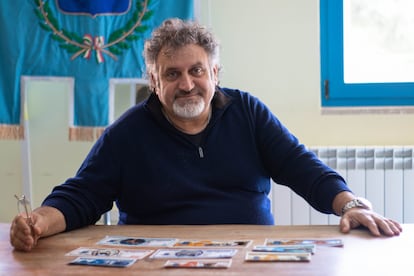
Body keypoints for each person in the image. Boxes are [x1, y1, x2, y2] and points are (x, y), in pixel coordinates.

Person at [10, 18, 402, 252]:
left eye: (197, 71)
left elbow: (303, 168)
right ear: (153, 81)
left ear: (215, 74)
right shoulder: (128, 132)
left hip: (247, 260)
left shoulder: (248, 113)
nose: (187, 84)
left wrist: (351, 205)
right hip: (153, 265)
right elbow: (82, 195)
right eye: (172, 74)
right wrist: (39, 222)